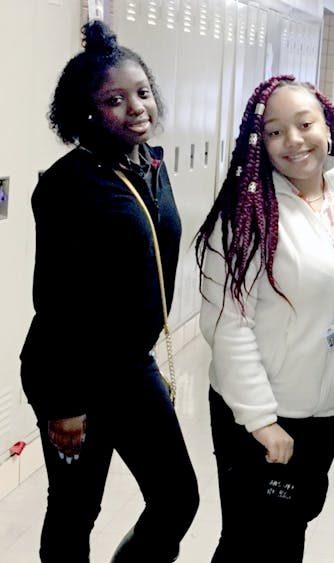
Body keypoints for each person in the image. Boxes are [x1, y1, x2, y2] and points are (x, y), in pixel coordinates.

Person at [19, 20, 199, 562]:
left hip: (129, 366)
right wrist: (64, 403)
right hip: (71, 370)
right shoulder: (67, 184)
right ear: (87, 110)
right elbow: (54, 302)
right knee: (76, 508)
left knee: (176, 499)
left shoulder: (152, 166)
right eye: (115, 100)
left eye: (142, 93)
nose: (137, 107)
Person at [195, 75, 334, 562]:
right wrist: (261, 420)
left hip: (323, 415)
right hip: (260, 416)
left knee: (289, 532)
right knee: (248, 541)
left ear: (328, 126)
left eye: (304, 124)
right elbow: (226, 325)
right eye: (275, 131)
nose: (293, 141)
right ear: (260, 142)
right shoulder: (246, 216)